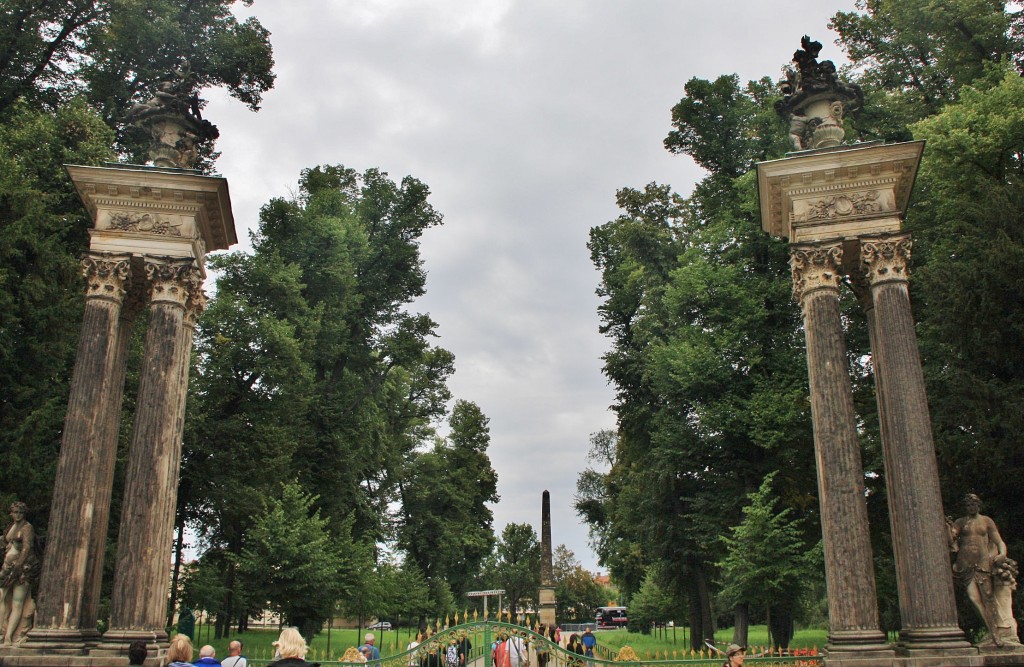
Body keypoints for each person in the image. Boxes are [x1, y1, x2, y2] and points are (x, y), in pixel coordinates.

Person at [949, 493, 1020, 646]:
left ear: (978, 505)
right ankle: (992, 629)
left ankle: (995, 634)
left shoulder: (986, 521)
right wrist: (948, 529)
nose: (971, 507)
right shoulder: (960, 522)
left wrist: (1002, 554)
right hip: (965, 563)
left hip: (982, 563)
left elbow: (999, 541)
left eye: (973, 504)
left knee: (987, 597)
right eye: (968, 505)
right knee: (974, 598)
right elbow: (951, 537)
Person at [0, 502, 39, 646]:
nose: (17, 515)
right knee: (2, 596)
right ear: (11, 513)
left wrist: (19, 565)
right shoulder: (10, 527)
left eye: (20, 512)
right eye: (15, 512)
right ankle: (2, 631)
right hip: (7, 566)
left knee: (17, 602)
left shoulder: (27, 527)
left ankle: (9, 636)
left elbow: (28, 547)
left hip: (23, 568)